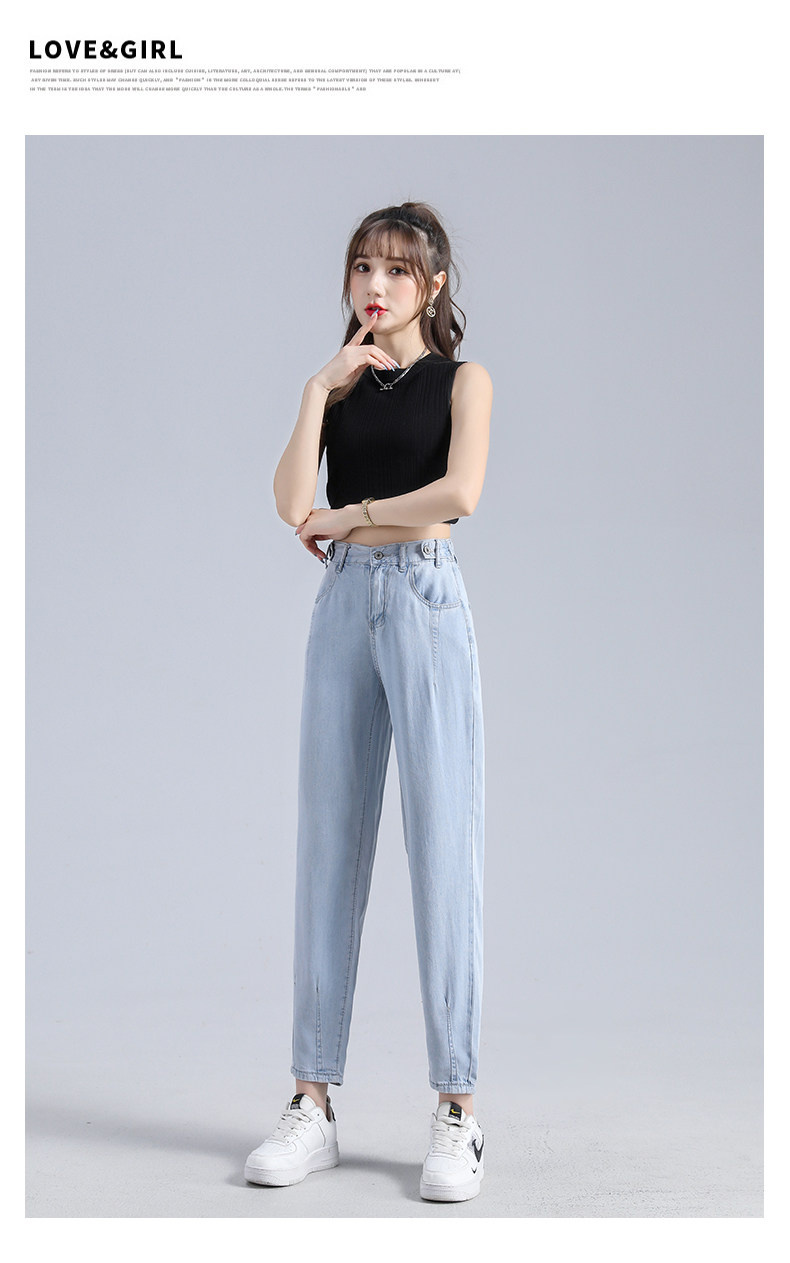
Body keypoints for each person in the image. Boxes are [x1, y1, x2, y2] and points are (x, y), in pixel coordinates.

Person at [245, 202, 492, 1202]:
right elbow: (286, 503)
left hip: (426, 599)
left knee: (445, 847)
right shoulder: (340, 387)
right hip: (344, 605)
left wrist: (349, 514)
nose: (374, 286)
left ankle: (458, 1110)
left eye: (395, 269)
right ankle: (312, 1101)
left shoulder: (463, 381)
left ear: (434, 284)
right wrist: (317, 388)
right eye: (361, 268)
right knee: (327, 846)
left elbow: (458, 494)